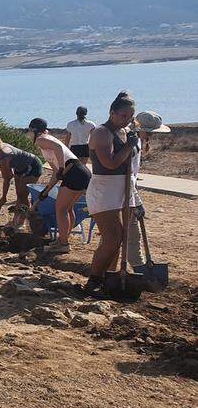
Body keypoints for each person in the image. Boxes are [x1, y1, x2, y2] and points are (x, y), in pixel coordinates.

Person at [82, 92, 139, 298]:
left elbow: (130, 162)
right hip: (104, 190)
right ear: (112, 112)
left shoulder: (125, 132)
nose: (127, 120)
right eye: (123, 116)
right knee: (112, 238)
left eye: (130, 116)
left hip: (122, 189)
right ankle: (94, 279)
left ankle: (110, 277)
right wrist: (130, 146)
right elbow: (111, 163)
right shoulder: (101, 133)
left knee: (120, 237)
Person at [27, 118, 92, 254]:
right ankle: (64, 240)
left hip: (73, 171)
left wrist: (62, 168)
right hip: (80, 172)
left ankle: (63, 244)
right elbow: (56, 172)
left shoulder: (41, 138)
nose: (29, 134)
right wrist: (46, 190)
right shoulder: (47, 140)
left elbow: (58, 151)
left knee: (61, 209)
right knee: (67, 209)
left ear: (34, 130)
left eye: (30, 131)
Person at [125, 111, 171, 273]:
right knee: (132, 235)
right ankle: (139, 269)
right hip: (123, 195)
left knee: (128, 235)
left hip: (127, 193)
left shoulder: (135, 141)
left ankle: (138, 267)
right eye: (151, 132)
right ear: (142, 129)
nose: (152, 136)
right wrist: (137, 202)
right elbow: (128, 176)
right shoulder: (133, 145)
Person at [0, 133, 42, 227]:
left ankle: (22, 222)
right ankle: (15, 221)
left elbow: (7, 179)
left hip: (32, 166)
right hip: (20, 168)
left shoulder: (3, 156)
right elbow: (9, 175)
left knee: (22, 196)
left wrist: (4, 197)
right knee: (19, 195)